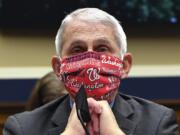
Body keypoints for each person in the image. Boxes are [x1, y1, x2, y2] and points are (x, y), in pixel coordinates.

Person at [3, 8, 180, 135]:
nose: (90, 59)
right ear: (58, 68)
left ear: (124, 65)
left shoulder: (158, 122)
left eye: (102, 48)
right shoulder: (23, 128)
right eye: (78, 50)